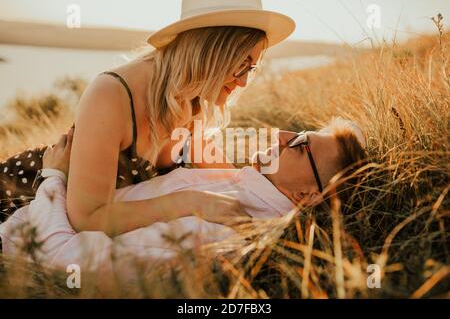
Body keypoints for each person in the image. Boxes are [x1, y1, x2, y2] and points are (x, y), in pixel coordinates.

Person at [0, 0, 296, 237]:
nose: (243, 82)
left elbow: (228, 178)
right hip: (19, 200)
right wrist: (191, 203)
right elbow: (87, 218)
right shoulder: (113, 94)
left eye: (252, 69)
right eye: (242, 64)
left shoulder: (193, 95)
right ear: (211, 50)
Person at [0, 118, 368, 270]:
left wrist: (54, 177)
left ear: (310, 196)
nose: (283, 136)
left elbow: (63, 259)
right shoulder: (240, 188)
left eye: (301, 145)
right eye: (298, 132)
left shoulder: (220, 234)